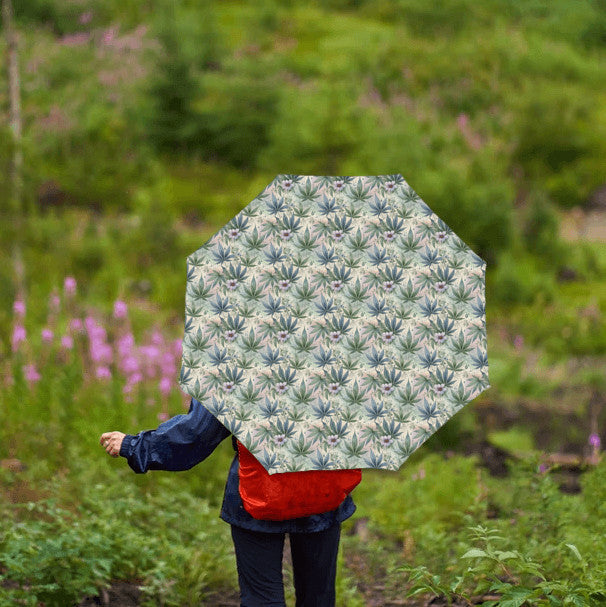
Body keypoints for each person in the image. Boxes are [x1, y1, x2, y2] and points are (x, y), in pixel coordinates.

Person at [100, 397, 356, 607]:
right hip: (324, 487)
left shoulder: (241, 351)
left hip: (259, 492)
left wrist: (135, 446)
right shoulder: (338, 343)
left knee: (262, 599)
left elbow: (197, 434)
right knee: (318, 598)